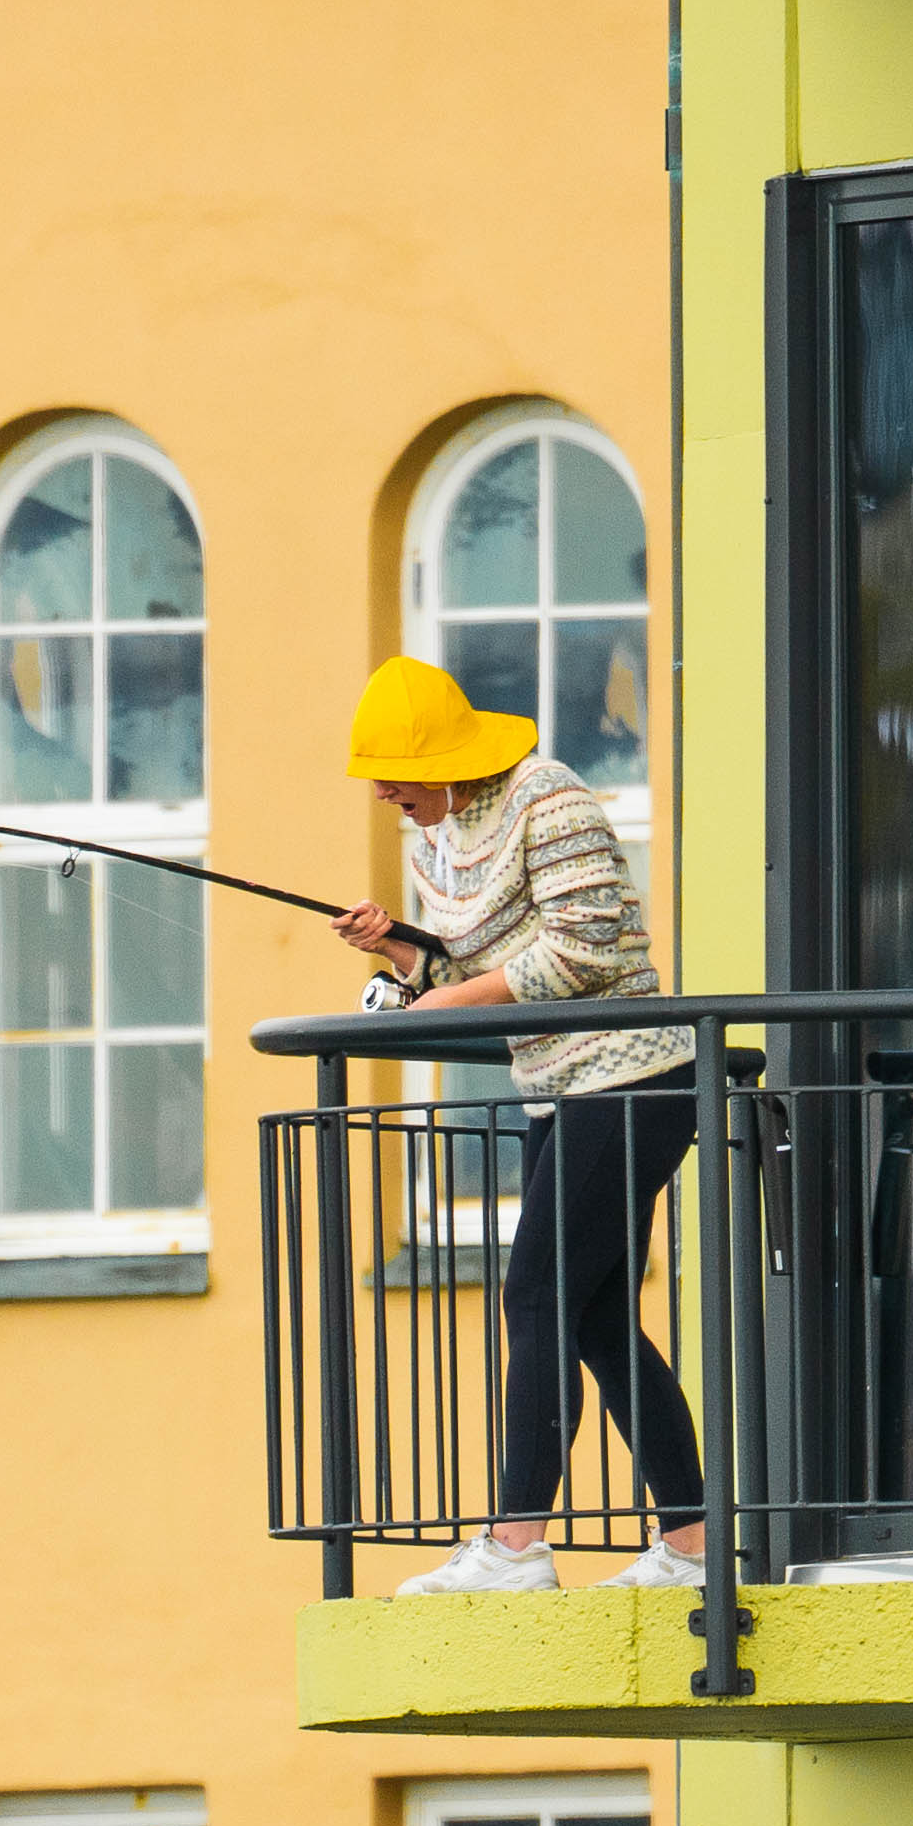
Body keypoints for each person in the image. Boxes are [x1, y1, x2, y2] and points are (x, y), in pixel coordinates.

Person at [333, 654, 704, 1593]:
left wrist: (442, 1001)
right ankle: (695, 1546)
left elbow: (580, 953)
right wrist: (402, 951)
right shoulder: (436, 838)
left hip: (634, 1074)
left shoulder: (550, 799)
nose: (381, 792)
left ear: (442, 758)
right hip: (556, 1085)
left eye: (394, 773)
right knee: (598, 1320)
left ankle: (516, 1545)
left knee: (535, 1296)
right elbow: (472, 966)